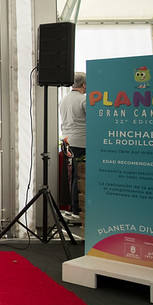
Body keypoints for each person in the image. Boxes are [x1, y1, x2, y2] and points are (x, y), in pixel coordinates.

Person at [59, 72, 86, 218]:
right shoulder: (83, 100)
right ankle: (76, 210)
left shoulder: (64, 99)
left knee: (69, 176)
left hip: (66, 141)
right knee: (79, 176)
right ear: (84, 85)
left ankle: (70, 208)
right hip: (81, 142)